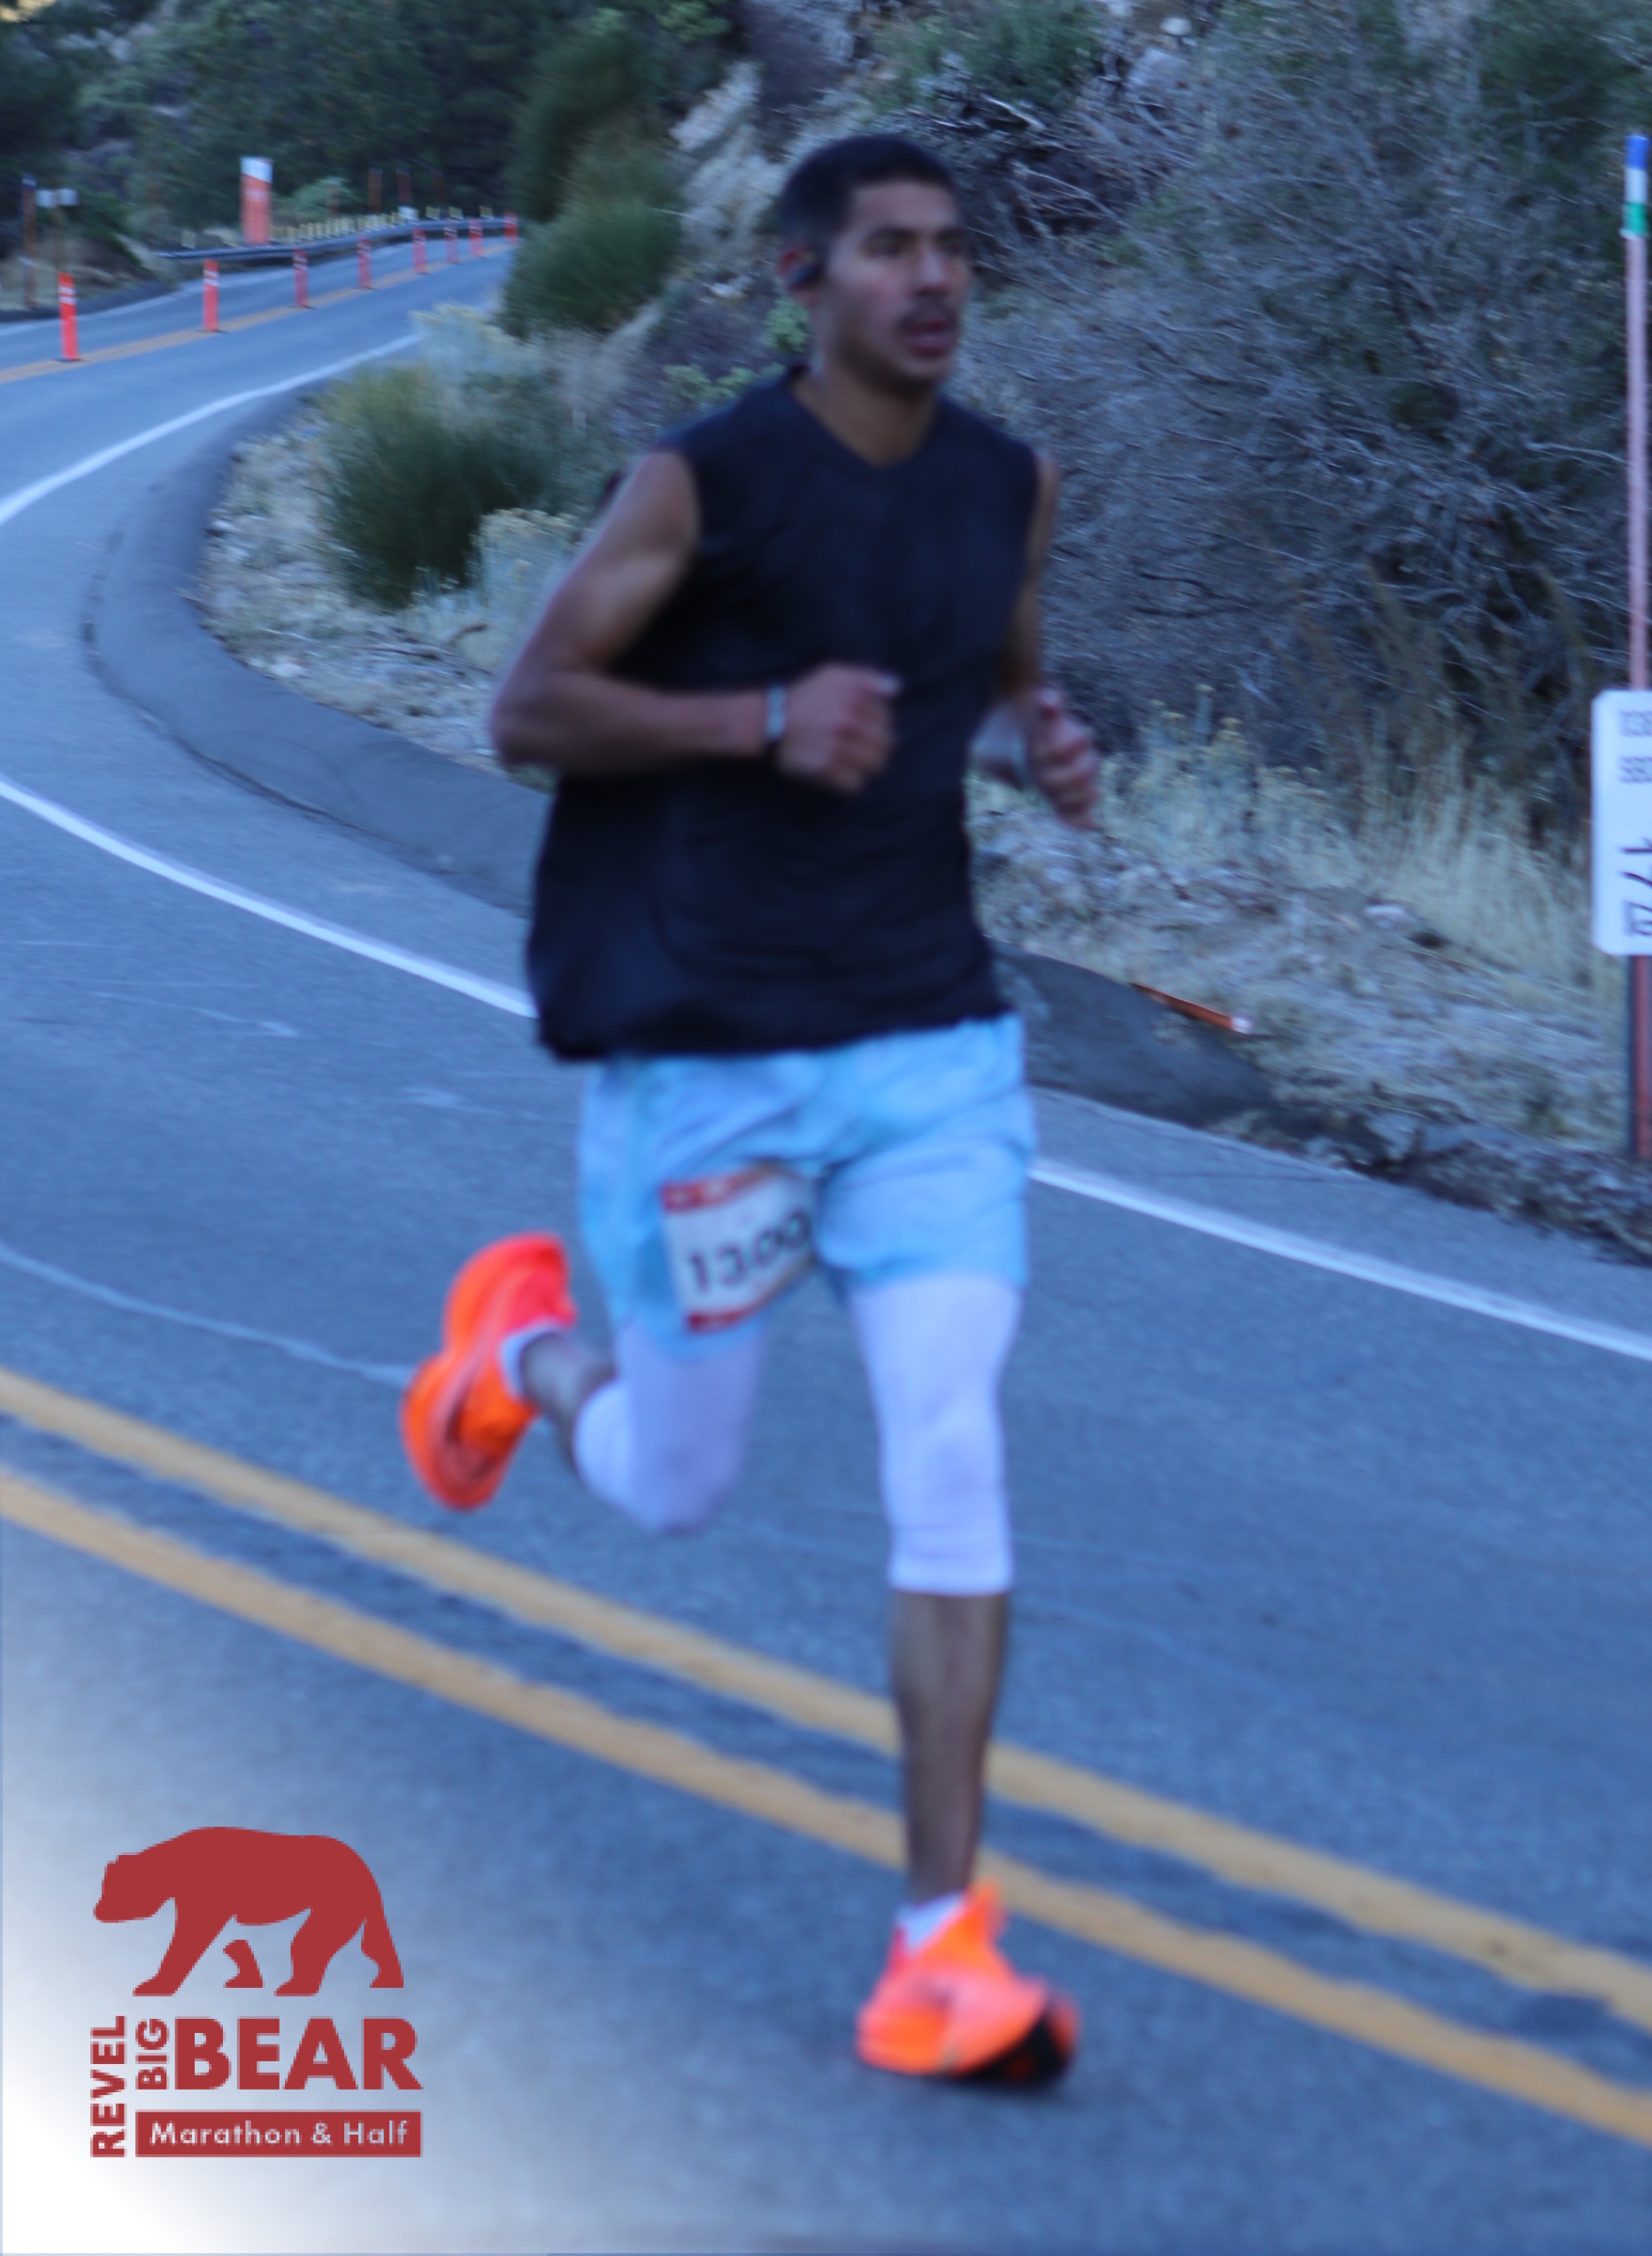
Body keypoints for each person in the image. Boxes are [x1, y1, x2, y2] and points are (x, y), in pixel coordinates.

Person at [401, 133, 1099, 2085]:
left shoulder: (1008, 483)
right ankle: (520, 1358)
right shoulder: (702, 483)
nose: (932, 279)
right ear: (802, 279)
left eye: (953, 248)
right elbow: (527, 711)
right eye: (889, 249)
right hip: (715, 1056)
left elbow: (981, 681)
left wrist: (1033, 739)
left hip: (929, 1049)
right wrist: (758, 719)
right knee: (674, 1485)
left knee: (950, 1446)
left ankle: (939, 1952)